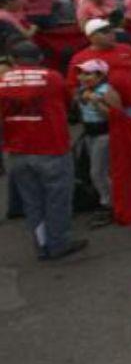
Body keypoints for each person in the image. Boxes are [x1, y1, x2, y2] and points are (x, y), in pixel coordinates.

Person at [0, 41, 87, 259]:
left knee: (32, 201)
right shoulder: (52, 77)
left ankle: (42, 245)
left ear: (12, 60)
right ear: (39, 58)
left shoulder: (2, 81)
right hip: (51, 147)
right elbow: (70, 104)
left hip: (17, 150)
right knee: (57, 198)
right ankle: (59, 243)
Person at [67, 18, 131, 121]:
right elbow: (72, 86)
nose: (111, 34)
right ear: (91, 37)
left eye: (111, 30)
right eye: (104, 32)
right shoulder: (80, 58)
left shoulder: (126, 49)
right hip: (101, 111)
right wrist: (87, 97)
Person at [74, 59, 121, 227]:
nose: (82, 77)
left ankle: (110, 205)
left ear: (100, 76)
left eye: (88, 74)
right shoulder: (82, 90)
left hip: (104, 135)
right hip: (89, 135)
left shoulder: (107, 91)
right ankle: (107, 201)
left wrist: (97, 102)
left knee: (98, 172)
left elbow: (115, 116)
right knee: (95, 171)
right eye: (81, 73)